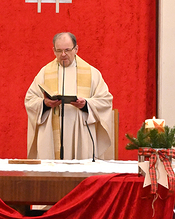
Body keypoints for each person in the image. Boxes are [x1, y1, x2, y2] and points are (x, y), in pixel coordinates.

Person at [25, 32, 114, 160]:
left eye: (67, 50)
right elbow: (30, 100)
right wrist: (45, 104)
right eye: (59, 51)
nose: (63, 54)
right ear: (53, 50)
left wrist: (86, 104)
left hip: (81, 133)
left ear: (76, 49)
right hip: (51, 135)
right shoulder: (44, 73)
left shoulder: (92, 73)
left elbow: (105, 101)